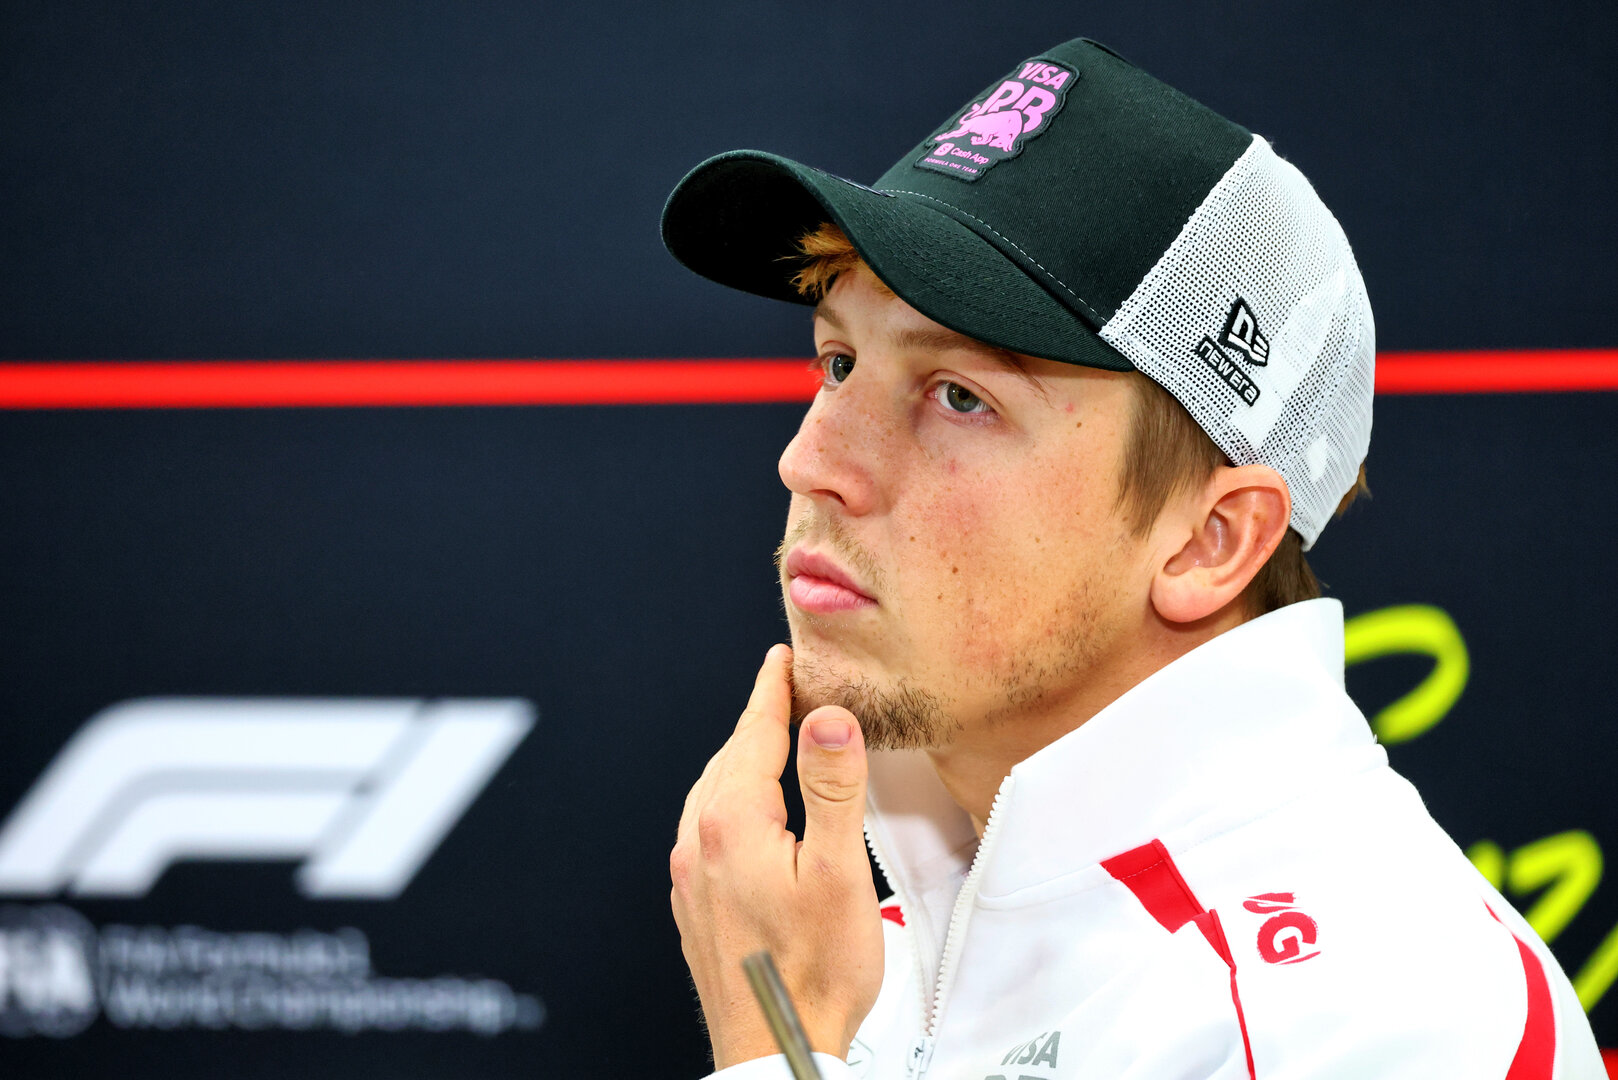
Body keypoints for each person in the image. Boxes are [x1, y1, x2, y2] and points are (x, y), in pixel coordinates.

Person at [660, 36, 1603, 1079]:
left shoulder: (1381, 1019)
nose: (810, 460)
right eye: (837, 361)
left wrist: (775, 1049)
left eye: (960, 396)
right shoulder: (868, 944)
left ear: (1211, 542)